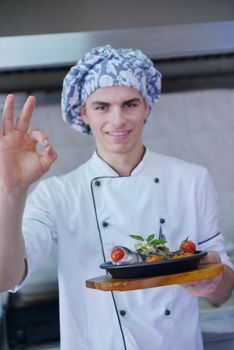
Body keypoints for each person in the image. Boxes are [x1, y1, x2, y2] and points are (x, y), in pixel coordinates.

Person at [0, 45, 233, 350]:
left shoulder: (191, 180)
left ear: (146, 106)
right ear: (84, 112)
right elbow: (6, 278)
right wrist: (12, 192)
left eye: (129, 104)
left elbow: (223, 291)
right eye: (102, 106)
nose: (118, 119)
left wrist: (213, 282)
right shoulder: (58, 194)